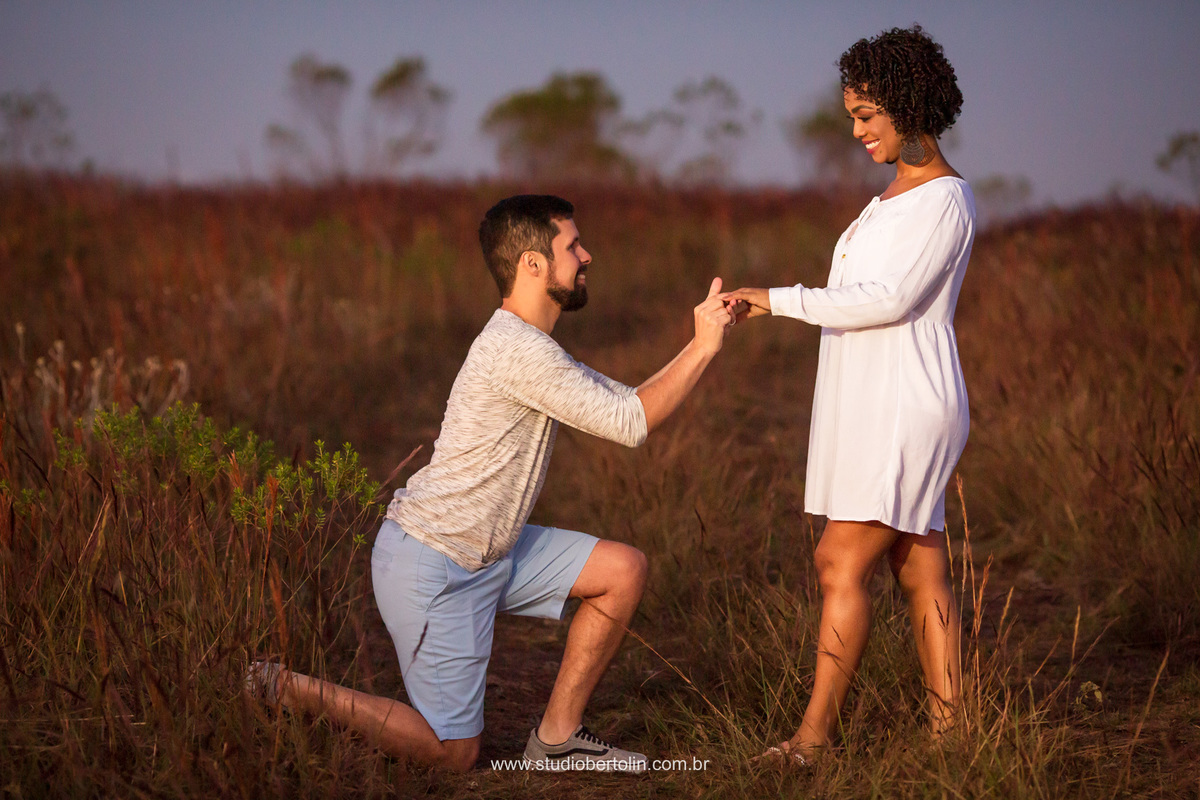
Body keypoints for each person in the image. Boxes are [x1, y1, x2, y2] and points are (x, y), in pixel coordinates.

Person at [247, 194, 736, 772]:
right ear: (532, 263)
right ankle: (284, 687)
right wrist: (703, 346)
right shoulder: (517, 350)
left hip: (492, 552)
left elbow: (626, 402)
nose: (586, 256)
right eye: (572, 246)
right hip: (435, 563)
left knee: (622, 571)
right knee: (453, 754)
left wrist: (700, 340)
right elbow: (632, 423)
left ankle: (557, 738)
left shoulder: (533, 347)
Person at [724, 25, 975, 763]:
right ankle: (954, 734)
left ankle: (812, 741)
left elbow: (890, 298)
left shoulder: (945, 200)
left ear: (907, 103)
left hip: (906, 399)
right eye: (852, 117)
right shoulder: (890, 196)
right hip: (873, 398)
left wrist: (777, 299)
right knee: (918, 564)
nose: (858, 131)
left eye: (867, 115)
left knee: (838, 560)